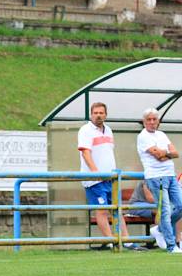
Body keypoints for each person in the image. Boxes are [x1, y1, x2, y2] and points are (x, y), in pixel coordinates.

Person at [77, 102, 143, 251]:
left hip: (111, 178)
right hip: (94, 180)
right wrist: (96, 172)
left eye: (101, 113)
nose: (98, 115)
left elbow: (107, 153)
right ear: (91, 114)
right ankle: (111, 241)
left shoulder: (108, 130)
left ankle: (126, 241)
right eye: (95, 113)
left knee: (117, 209)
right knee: (101, 210)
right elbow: (85, 152)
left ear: (106, 115)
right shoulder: (86, 130)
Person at [136, 108, 182, 253]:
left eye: (154, 119)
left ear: (158, 121)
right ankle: (171, 245)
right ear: (144, 122)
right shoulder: (143, 136)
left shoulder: (162, 134)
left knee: (181, 205)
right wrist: (167, 154)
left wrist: (166, 153)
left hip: (170, 175)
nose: (151, 122)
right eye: (148, 119)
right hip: (156, 177)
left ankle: (160, 229)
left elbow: (176, 153)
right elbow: (159, 156)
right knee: (165, 210)